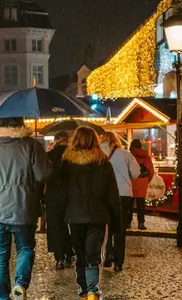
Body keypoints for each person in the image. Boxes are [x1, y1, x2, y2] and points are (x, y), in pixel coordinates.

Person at [0, 117, 52, 300]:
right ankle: (20, 285)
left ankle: (1, 296)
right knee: (25, 248)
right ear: (20, 124)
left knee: (0, 254)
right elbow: (43, 175)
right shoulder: (31, 145)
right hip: (24, 207)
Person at [60, 127, 121, 300]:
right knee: (92, 254)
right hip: (98, 215)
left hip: (74, 215)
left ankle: (84, 290)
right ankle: (93, 290)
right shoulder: (103, 162)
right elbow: (112, 195)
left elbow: (61, 192)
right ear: (95, 141)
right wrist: (117, 221)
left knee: (80, 253)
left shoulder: (67, 164)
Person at [99, 132, 140, 272]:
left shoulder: (97, 153)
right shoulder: (125, 154)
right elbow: (136, 173)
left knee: (106, 227)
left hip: (104, 195)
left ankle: (107, 254)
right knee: (120, 229)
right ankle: (118, 262)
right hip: (123, 194)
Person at [45, 131, 73, 270]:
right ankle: (70, 254)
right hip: (71, 195)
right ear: (67, 140)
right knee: (70, 226)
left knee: (55, 226)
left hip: (53, 195)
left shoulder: (48, 156)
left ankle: (59, 257)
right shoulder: (73, 156)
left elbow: (42, 176)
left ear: (55, 140)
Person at [128, 139, 156, 230]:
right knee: (141, 204)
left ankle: (128, 223)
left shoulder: (130, 155)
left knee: (129, 204)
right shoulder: (146, 156)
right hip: (143, 181)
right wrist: (146, 180)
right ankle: (141, 223)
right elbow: (151, 171)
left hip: (131, 181)